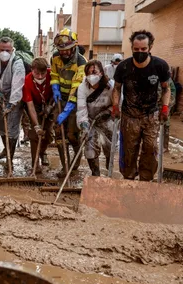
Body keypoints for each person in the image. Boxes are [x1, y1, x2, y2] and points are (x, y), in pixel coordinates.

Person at [112, 30, 171, 181]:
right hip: (130, 115)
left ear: (150, 47)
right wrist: (115, 106)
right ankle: (129, 177)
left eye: (143, 49)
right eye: (136, 49)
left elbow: (166, 88)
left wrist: (165, 108)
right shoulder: (123, 67)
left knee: (151, 148)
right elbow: (117, 88)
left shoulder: (160, 66)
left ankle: (146, 178)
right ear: (131, 48)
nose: (140, 52)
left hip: (151, 114)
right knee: (129, 149)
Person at [51, 28, 86, 178]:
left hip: (75, 100)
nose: (63, 53)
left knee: (72, 135)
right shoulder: (55, 57)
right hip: (60, 98)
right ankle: (65, 166)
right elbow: (54, 74)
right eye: (61, 50)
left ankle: (75, 164)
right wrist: (55, 87)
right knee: (59, 134)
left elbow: (77, 86)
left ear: (73, 47)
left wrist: (67, 109)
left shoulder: (81, 62)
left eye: (67, 50)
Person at [0, 36, 25, 169]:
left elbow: (18, 84)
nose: (4, 52)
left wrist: (11, 104)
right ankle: (5, 148)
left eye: (7, 50)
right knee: (1, 127)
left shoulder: (17, 62)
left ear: (12, 49)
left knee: (12, 129)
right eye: (2, 49)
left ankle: (10, 158)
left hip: (15, 97)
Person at [77, 60, 114, 176]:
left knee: (110, 144)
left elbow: (118, 104)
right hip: (90, 119)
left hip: (107, 119)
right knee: (89, 146)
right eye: (88, 73)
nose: (91, 76)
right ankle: (95, 173)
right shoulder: (82, 88)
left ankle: (109, 163)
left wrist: (108, 112)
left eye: (94, 72)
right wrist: (84, 125)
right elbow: (81, 108)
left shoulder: (111, 86)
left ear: (102, 73)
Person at [22, 57, 54, 173]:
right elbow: (30, 105)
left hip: (50, 103)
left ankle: (42, 151)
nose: (40, 76)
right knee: (35, 135)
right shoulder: (27, 81)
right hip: (35, 105)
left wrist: (50, 107)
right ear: (32, 70)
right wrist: (36, 125)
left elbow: (56, 92)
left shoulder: (52, 75)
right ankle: (35, 163)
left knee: (49, 134)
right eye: (37, 73)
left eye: (43, 73)